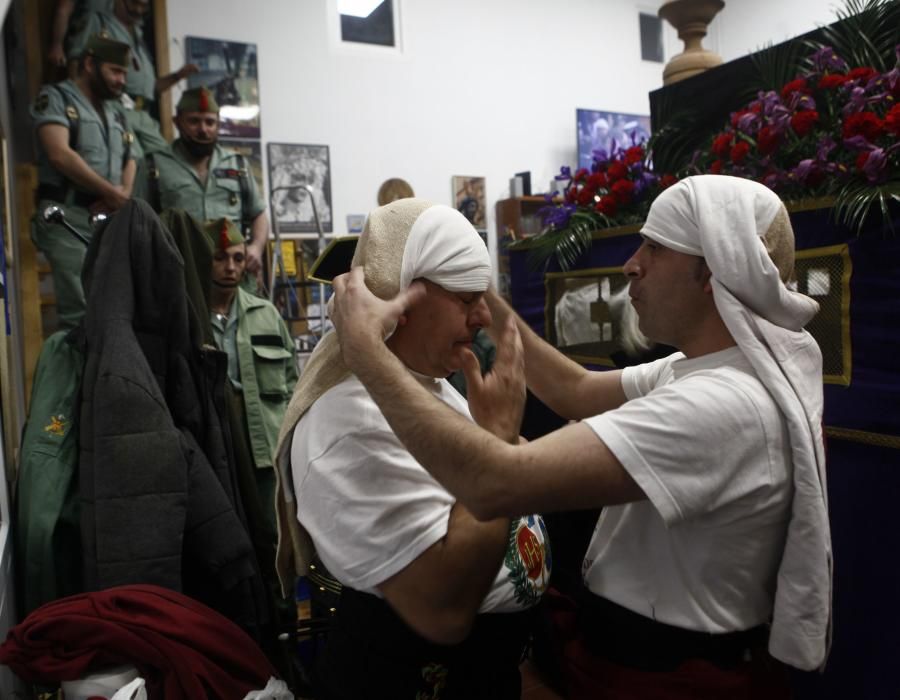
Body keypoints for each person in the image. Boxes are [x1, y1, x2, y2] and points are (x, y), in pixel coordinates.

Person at [327, 175, 832, 699]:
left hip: (667, 677)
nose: (631, 262)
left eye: (655, 247)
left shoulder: (723, 405)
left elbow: (492, 483)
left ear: (711, 270)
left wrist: (366, 351)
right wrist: (478, 286)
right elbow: (576, 389)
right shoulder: (703, 370)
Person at [272, 198, 551, 699]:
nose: (483, 315)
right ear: (400, 302)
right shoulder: (348, 423)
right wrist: (497, 442)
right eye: (466, 300)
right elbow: (442, 606)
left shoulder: (430, 383)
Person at [31, 34, 136, 329]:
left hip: (107, 221)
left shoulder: (116, 112)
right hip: (66, 218)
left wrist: (122, 195)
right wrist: (111, 193)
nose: (121, 80)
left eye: (124, 73)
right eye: (115, 71)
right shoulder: (57, 98)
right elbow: (59, 155)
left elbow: (132, 156)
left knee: (115, 311)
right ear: (90, 64)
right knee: (79, 315)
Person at [206, 217, 297, 536]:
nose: (230, 267)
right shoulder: (190, 320)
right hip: (214, 451)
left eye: (238, 258)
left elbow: (293, 386)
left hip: (265, 449)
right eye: (219, 258)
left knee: (276, 537)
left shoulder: (266, 315)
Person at [144, 87, 270, 287]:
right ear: (178, 122)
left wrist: (256, 247)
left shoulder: (237, 164)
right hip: (180, 277)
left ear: (218, 124)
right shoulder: (154, 165)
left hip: (233, 275)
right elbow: (140, 222)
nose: (203, 129)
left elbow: (258, 213)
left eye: (210, 122)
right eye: (194, 121)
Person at [70, 0, 198, 154]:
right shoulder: (99, 22)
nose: (138, 10)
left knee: (163, 160)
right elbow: (76, 60)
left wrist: (178, 76)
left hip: (142, 113)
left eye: (144, 5)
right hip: (113, 107)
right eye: (133, 3)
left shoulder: (139, 34)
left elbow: (151, 88)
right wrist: (80, 105)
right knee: (132, 158)